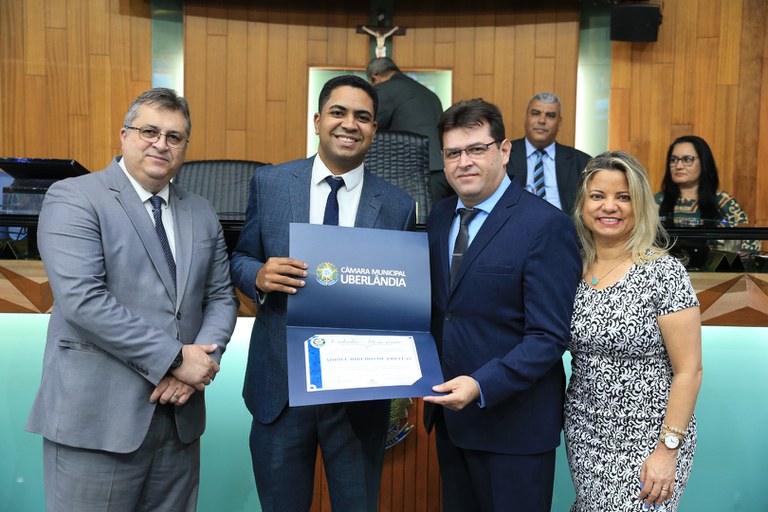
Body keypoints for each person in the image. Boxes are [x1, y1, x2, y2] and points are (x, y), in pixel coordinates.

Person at [26, 87, 239, 511]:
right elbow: (84, 300)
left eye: (174, 136)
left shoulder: (201, 211)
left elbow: (220, 296)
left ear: (185, 147)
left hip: (179, 420)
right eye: (149, 131)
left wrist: (196, 367)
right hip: (97, 421)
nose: (161, 144)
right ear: (124, 135)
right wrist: (176, 360)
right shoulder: (75, 197)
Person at [229, 75, 415, 512]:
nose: (349, 124)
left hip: (357, 394)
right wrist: (259, 275)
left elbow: (401, 294)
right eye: (338, 112)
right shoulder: (271, 183)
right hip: (280, 388)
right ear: (317, 120)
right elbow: (240, 258)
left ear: (374, 130)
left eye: (362, 117)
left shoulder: (398, 205)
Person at [422, 98, 581, 511]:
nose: (464, 162)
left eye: (477, 149)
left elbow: (548, 337)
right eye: (453, 153)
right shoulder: (439, 218)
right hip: (452, 423)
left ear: (505, 150)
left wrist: (481, 385)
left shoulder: (545, 225)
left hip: (514, 428)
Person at [565, 151, 703, 511]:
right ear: (582, 205)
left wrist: (667, 450)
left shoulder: (664, 273)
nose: (609, 206)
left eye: (623, 197)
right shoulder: (570, 269)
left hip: (651, 438)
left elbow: (689, 370)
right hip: (586, 431)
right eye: (598, 196)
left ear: (639, 205)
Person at [366, 57, 451, 206]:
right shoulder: (428, 93)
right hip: (444, 170)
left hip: (415, 173)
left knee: (415, 220)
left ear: (375, 78)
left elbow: (368, 128)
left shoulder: (385, 89)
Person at [657, 135, 760, 252]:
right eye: (673, 160)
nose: (678, 166)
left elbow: (749, 247)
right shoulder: (655, 203)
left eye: (687, 159)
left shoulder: (724, 203)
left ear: (704, 162)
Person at [506, 92, 591, 215]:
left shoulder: (581, 162)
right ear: (526, 118)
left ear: (559, 122)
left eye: (550, 116)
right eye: (536, 113)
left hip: (563, 225)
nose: (542, 120)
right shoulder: (504, 155)